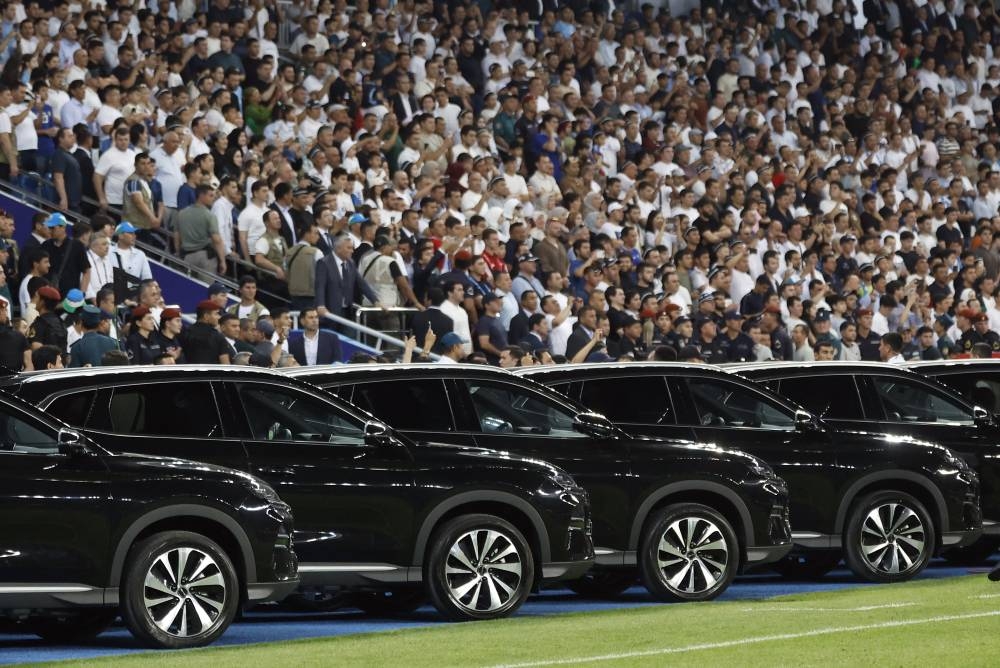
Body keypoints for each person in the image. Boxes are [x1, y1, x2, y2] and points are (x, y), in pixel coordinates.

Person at [315, 235, 380, 325]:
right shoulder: (324, 263)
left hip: (348, 311)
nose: (352, 251)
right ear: (338, 248)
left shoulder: (351, 263)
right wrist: (320, 305)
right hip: (330, 312)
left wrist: (375, 301)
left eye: (352, 248)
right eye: (349, 248)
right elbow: (320, 286)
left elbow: (361, 283)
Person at [176, 185, 227, 276]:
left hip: (187, 257)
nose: (213, 198)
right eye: (210, 195)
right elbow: (217, 240)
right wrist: (222, 261)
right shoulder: (209, 216)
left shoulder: (182, 213)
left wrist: (179, 253)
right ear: (201, 196)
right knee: (206, 288)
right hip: (205, 257)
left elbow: (177, 236)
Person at [182, 299, 231, 364]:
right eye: (216, 314)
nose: (219, 317)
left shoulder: (186, 333)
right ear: (206, 316)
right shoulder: (217, 336)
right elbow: (225, 364)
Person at [28, 285, 66, 352]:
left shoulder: (39, 323)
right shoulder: (61, 323)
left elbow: (35, 346)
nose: (35, 301)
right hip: (59, 361)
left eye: (37, 298)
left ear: (42, 302)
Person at [0, 295, 30, 371]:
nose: (6, 313)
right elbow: (29, 366)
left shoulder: (18, 337)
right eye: (4, 310)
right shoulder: (18, 337)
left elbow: (29, 366)